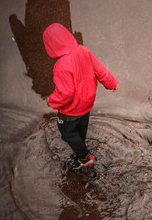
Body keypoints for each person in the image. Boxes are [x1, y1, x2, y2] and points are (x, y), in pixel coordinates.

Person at [43, 23, 118, 170]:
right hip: (87, 102)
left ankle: (84, 157)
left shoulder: (61, 66)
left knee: (66, 131)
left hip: (71, 109)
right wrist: (112, 83)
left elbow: (66, 93)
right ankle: (80, 140)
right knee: (81, 126)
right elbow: (99, 69)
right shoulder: (84, 50)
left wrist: (51, 101)